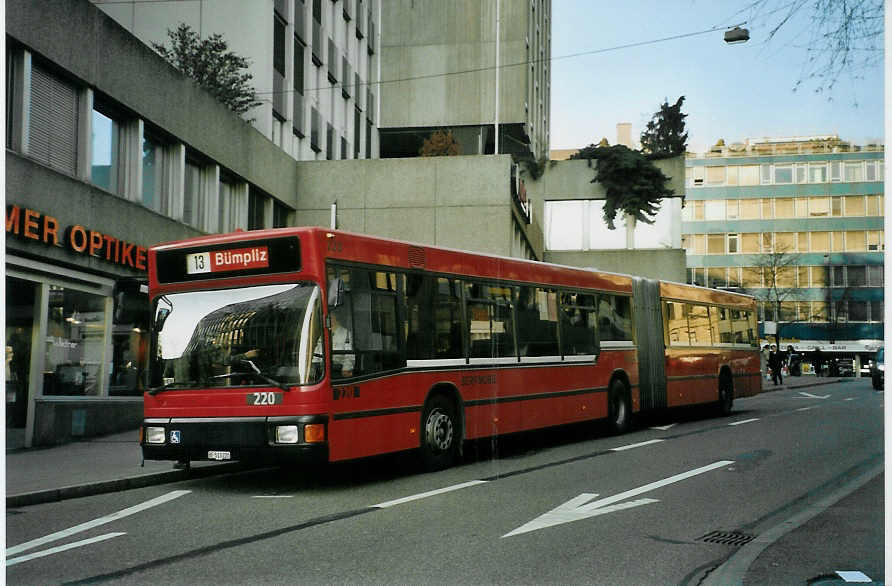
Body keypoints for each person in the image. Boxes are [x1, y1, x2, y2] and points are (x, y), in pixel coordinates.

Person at [330, 310, 354, 378]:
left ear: (337, 319)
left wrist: (346, 369)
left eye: (331, 317)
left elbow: (349, 355)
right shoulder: (323, 334)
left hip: (338, 370)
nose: (328, 319)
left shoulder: (346, 334)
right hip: (323, 369)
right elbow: (317, 352)